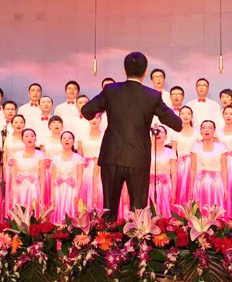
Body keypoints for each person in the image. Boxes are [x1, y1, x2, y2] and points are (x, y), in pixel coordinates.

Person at [81, 52, 182, 221]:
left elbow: (86, 111)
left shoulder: (110, 90)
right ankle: (138, 245)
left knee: (108, 210)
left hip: (111, 156)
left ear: (124, 70)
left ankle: (107, 244)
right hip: (138, 157)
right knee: (138, 210)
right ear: (145, 71)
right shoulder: (152, 95)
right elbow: (176, 124)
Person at [189, 125, 228, 210]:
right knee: (200, 207)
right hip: (200, 181)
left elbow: (224, 168)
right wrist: (191, 187)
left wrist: (225, 187)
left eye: (210, 128)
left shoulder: (221, 147)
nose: (207, 130)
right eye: (204, 128)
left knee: (215, 207)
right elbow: (193, 169)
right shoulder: (195, 147)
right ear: (200, 131)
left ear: (214, 131)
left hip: (216, 182)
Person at [215, 105, 232, 216]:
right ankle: (224, 214)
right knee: (223, 186)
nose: (228, 116)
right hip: (223, 163)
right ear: (223, 115)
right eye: (226, 113)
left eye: (231, 114)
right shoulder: (218, 132)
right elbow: (216, 149)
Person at [50, 131, 84, 223]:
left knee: (70, 211)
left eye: (69, 138)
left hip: (72, 190)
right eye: (64, 138)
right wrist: (52, 196)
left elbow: (80, 177)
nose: (67, 140)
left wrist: (78, 194)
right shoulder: (56, 159)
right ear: (61, 141)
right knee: (58, 211)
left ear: (73, 142)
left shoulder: (78, 158)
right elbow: (53, 178)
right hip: (58, 190)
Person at [171, 106, 200, 204]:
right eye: (183, 113)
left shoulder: (197, 133)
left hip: (194, 164)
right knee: (181, 187)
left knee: (193, 186)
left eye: (188, 113)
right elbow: (173, 153)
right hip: (181, 164)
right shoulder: (175, 133)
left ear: (192, 116)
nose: (185, 116)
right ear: (179, 116)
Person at [11, 129, 45, 211]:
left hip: (34, 186)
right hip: (19, 187)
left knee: (33, 211)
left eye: (32, 136)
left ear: (35, 139)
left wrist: (42, 195)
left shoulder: (41, 155)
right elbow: (14, 174)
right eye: (26, 136)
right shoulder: (17, 155)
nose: (29, 138)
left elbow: (43, 176)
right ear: (22, 139)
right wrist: (12, 191)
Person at [148, 125, 177, 217]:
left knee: (165, 211)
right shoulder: (147, 152)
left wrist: (174, 192)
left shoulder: (171, 153)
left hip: (165, 186)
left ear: (166, 136)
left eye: (161, 132)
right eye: (156, 132)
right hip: (150, 185)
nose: (158, 134)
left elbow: (174, 174)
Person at [78, 115, 103, 210]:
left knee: (100, 190)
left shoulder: (105, 135)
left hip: (101, 167)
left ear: (101, 120)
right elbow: (79, 156)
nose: (94, 120)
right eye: (92, 117)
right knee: (86, 191)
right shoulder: (82, 137)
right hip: (87, 168)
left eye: (97, 118)